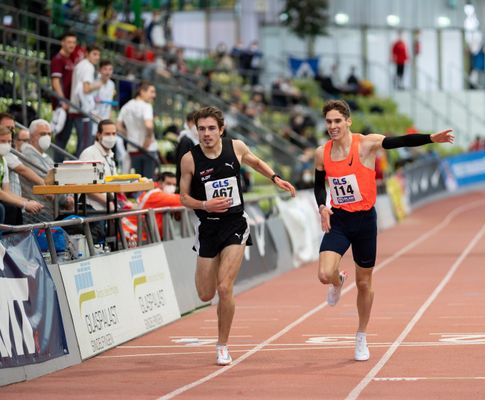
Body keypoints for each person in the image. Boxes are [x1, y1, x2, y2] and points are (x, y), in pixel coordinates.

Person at [313, 100, 453, 361]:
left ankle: (361, 336)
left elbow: (400, 142)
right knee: (324, 273)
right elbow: (319, 184)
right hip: (340, 220)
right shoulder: (322, 153)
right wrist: (322, 205)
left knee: (365, 282)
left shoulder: (366, 144)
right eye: (329, 122)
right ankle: (337, 281)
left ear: (348, 121)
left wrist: (431, 138)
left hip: (365, 221)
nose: (333, 126)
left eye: (337, 121)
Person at [179, 106, 296, 366]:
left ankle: (222, 345)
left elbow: (255, 162)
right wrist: (205, 205)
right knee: (205, 294)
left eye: (211, 128)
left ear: (221, 129)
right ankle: (213, 280)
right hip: (207, 227)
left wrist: (276, 178)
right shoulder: (189, 159)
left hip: (235, 224)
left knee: (224, 287)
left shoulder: (236, 147)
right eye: (201, 129)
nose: (206, 134)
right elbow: (183, 197)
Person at [0, 126, 43, 225]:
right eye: (2, 141)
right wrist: (25, 204)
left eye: (9, 141)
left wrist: (28, 202)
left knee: (14, 207)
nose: (6, 145)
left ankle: (14, 239)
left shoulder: (3, 161)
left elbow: (6, 191)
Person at [116, 81, 157, 178]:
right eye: (151, 92)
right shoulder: (146, 106)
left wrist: (128, 135)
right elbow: (149, 125)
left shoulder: (126, 106)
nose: (154, 95)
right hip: (148, 148)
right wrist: (148, 138)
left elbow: (117, 126)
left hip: (132, 148)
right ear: (142, 91)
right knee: (148, 183)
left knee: (137, 182)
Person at [79, 119, 118, 211]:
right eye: (107, 134)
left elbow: (115, 182)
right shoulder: (89, 154)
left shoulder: (110, 156)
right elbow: (86, 187)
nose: (111, 137)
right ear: (98, 134)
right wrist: (108, 203)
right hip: (92, 209)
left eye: (113, 134)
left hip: (108, 206)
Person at [51, 32, 77, 162]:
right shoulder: (58, 59)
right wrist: (62, 101)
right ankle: (57, 166)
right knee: (60, 139)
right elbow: (55, 81)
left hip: (69, 105)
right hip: (62, 105)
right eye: (69, 42)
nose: (72, 45)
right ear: (62, 42)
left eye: (74, 42)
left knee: (65, 138)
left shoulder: (71, 59)